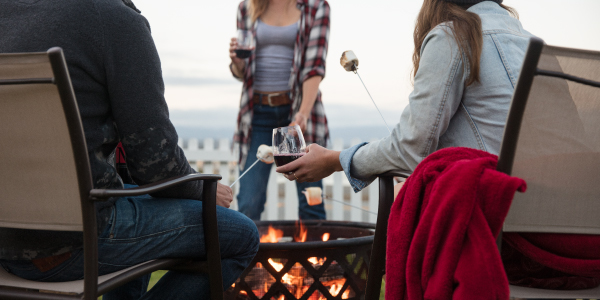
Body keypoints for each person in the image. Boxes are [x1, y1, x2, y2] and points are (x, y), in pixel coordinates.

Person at [0, 0, 259, 299]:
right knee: (240, 235)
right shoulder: (112, 19)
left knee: (130, 198)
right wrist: (203, 189)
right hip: (71, 243)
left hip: (5, 239)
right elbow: (156, 163)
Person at [276, 0, 534, 193]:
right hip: (547, 215)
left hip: (488, 211)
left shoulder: (454, 36)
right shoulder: (533, 43)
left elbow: (410, 150)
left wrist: (334, 160)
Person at [229, 0, 330, 220]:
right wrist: (237, 62)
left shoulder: (316, 7)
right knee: (248, 204)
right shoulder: (247, 7)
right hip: (257, 115)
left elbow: (314, 67)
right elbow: (242, 72)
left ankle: (316, 255)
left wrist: (302, 113)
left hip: (296, 113)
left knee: (310, 203)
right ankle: (249, 255)